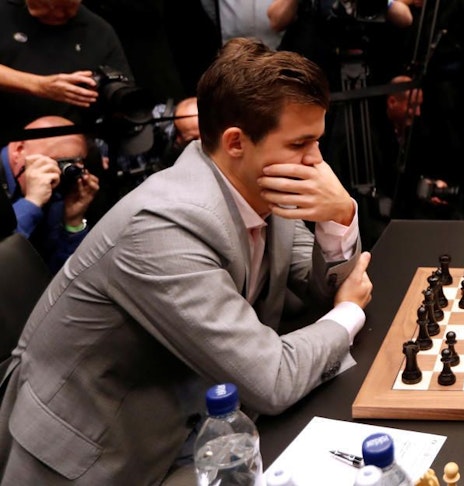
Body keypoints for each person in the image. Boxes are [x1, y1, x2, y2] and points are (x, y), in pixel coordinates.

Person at [0, 37, 374, 484]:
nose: (317, 162)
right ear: (236, 142)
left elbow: (317, 289)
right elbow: (272, 378)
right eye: (301, 143)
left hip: (189, 417)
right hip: (96, 459)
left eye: (318, 141)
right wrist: (348, 313)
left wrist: (338, 214)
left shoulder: (256, 184)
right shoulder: (164, 227)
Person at [0, 0, 133, 137]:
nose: (59, 14)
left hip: (69, 137)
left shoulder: (99, 31)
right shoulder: (5, 10)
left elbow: (121, 91)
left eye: (65, 8)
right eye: (43, 4)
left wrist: (99, 89)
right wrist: (38, 85)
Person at [1, 116, 99, 273]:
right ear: (19, 151)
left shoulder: (58, 192)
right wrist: (32, 202)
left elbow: (63, 275)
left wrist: (73, 223)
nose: (59, 173)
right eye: (58, 162)